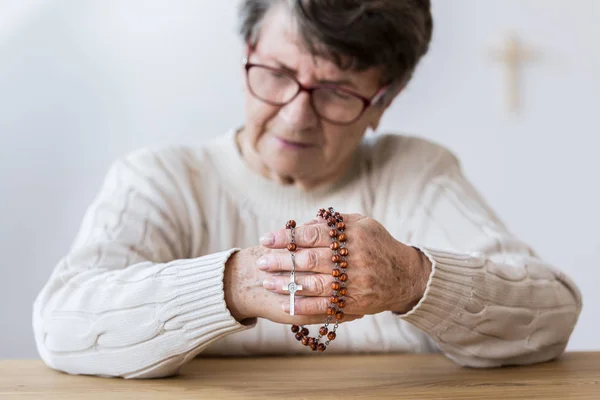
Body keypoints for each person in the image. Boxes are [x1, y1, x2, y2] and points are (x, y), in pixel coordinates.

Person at [32, 0, 582, 379]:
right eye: (275, 73)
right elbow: (62, 325)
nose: (296, 118)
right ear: (247, 48)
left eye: (337, 91)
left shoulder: (417, 172)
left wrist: (412, 279)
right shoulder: (161, 179)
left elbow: (551, 316)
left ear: (385, 101)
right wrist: (237, 284)